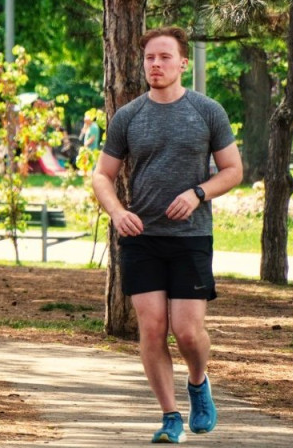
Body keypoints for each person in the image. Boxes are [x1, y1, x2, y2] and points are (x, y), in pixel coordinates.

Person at [92, 26, 242, 444]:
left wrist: (199, 193)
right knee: (153, 329)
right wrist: (118, 211)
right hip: (142, 237)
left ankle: (198, 383)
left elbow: (233, 170)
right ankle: (170, 416)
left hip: (191, 237)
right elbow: (102, 175)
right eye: (149, 59)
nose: (155, 65)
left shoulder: (208, 111)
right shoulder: (128, 116)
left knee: (188, 331)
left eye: (163, 57)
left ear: (182, 63)